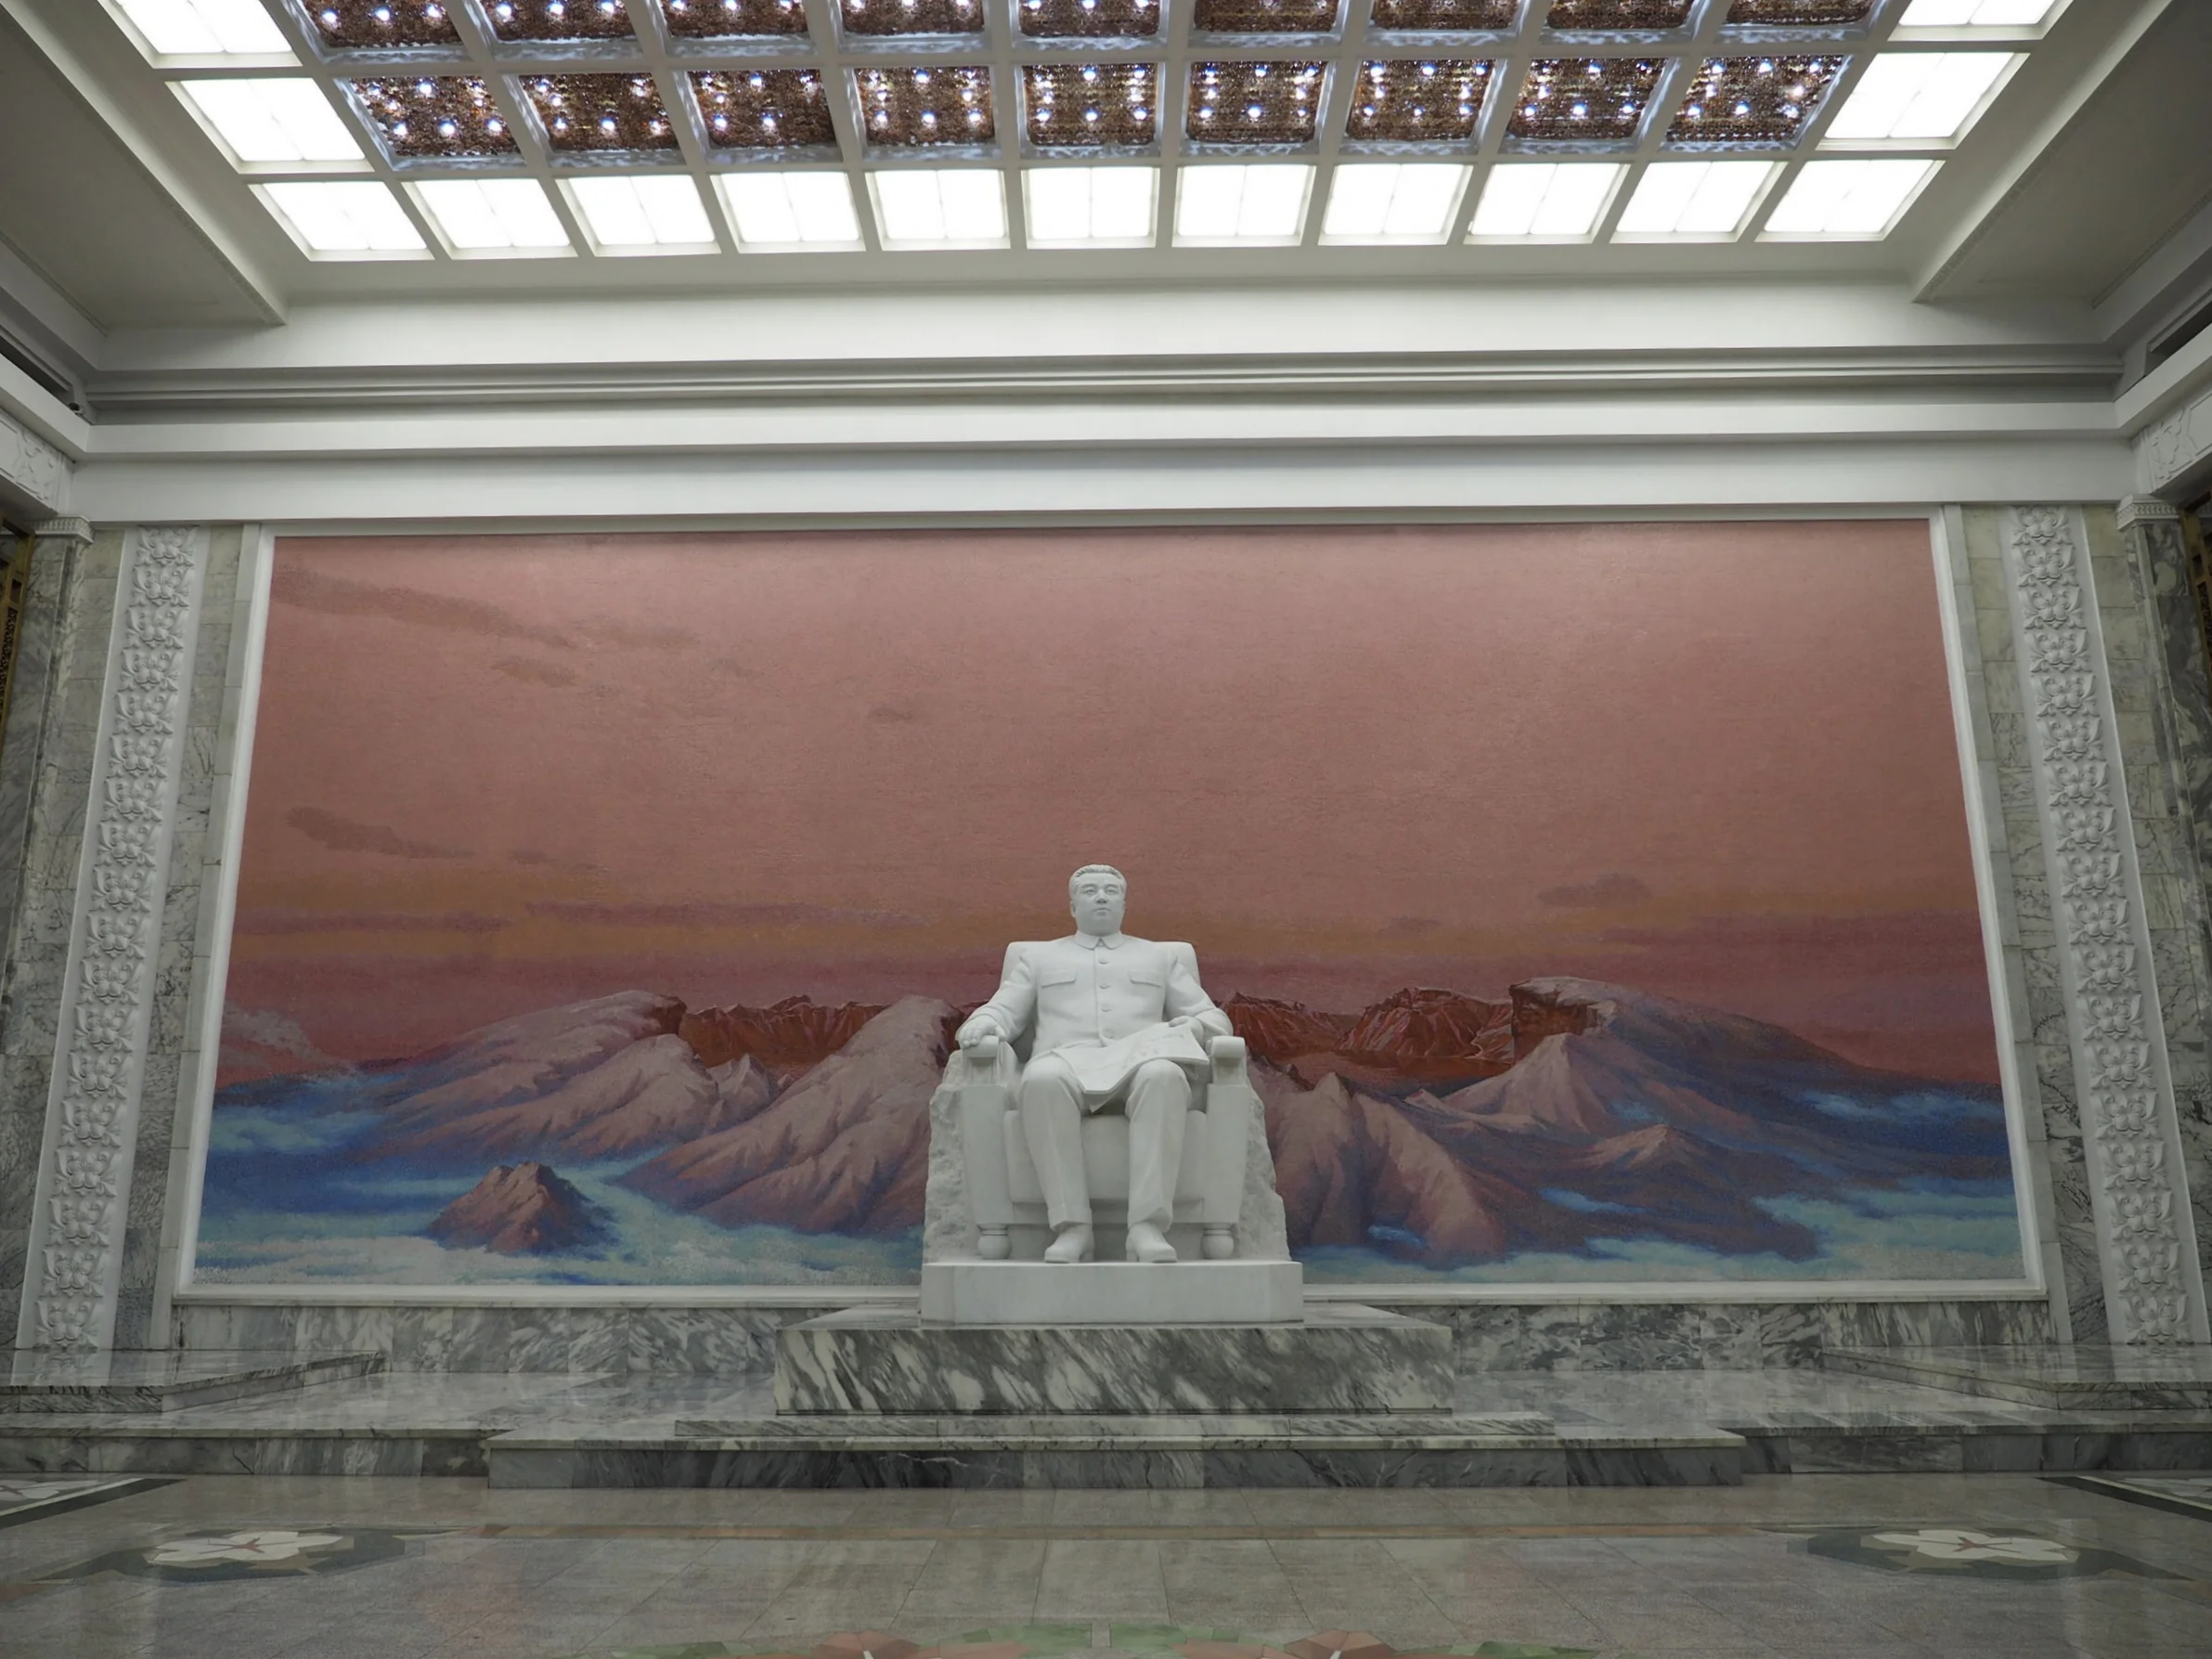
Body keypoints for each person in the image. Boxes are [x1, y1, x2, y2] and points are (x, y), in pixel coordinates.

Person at [955, 864, 1232, 1263]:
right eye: (1089, 891)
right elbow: (1005, 1010)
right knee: (1042, 1079)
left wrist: (1194, 1026)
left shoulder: (1159, 956)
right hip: (1066, 1062)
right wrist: (983, 1022)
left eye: (1109, 890)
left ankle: (1147, 1228)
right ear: (1072, 906)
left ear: (1124, 903)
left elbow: (1214, 1019)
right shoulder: (1039, 957)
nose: (1100, 897)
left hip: (1141, 1062)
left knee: (1166, 1075)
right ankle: (1072, 1228)